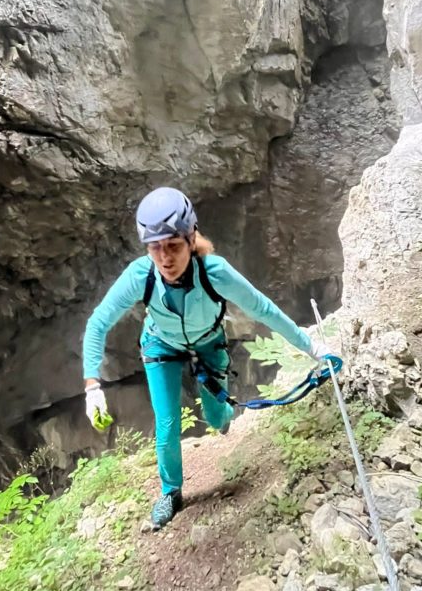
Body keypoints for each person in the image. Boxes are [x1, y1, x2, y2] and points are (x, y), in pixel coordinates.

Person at [82, 187, 335, 529]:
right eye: (155, 248)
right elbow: (99, 322)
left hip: (207, 342)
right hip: (160, 346)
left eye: (173, 246)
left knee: (217, 418)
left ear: (190, 239)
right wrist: (92, 385)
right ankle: (171, 492)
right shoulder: (140, 276)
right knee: (167, 423)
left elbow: (262, 309)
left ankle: (223, 412)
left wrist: (313, 348)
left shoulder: (214, 272)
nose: (165, 258)